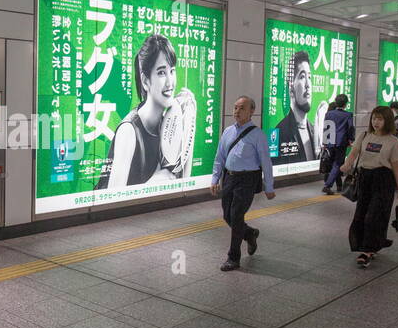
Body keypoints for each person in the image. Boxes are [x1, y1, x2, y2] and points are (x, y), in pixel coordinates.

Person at [99, 34, 193, 188]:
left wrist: (188, 121)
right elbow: (112, 198)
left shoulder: (168, 122)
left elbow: (183, 182)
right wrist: (152, 183)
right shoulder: (129, 131)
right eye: (161, 72)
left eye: (172, 71)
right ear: (145, 81)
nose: (170, 82)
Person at [211, 95, 277, 271]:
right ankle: (250, 233)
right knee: (228, 216)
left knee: (237, 215)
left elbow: (266, 162)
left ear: (251, 111)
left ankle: (233, 257)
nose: (237, 111)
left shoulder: (258, 135)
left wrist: (269, 186)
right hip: (229, 177)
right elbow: (220, 157)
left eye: (242, 108)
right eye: (235, 107)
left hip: (247, 180)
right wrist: (215, 178)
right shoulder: (228, 132)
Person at [340, 105, 398, 269]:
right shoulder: (364, 136)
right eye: (374, 118)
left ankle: (367, 251)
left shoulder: (393, 142)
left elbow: (396, 167)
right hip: (365, 178)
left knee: (375, 215)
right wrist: (347, 164)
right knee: (362, 213)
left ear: (387, 121)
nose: (376, 122)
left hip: (383, 180)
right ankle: (370, 244)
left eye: (380, 119)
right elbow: (354, 153)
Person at [271, 50, 316, 164]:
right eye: (302, 77)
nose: (308, 84)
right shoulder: (278, 132)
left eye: (309, 77)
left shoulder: (314, 131)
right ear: (291, 87)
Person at [320, 93, 354, 195]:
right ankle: (327, 185)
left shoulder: (329, 114)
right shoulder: (348, 115)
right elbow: (350, 128)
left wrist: (325, 142)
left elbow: (326, 127)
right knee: (338, 164)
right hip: (341, 143)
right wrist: (351, 139)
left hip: (330, 142)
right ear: (345, 104)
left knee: (333, 164)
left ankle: (339, 186)